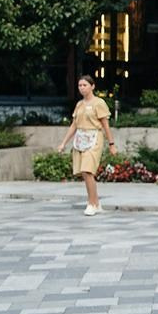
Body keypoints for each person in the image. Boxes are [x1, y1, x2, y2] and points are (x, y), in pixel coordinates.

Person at [56, 75, 114, 216]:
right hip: (81, 138)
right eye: (80, 85)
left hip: (94, 137)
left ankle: (92, 203)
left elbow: (105, 125)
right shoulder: (79, 105)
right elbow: (74, 125)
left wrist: (111, 143)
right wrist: (63, 142)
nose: (82, 88)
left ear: (92, 86)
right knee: (84, 173)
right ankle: (95, 202)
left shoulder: (99, 103)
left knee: (88, 170)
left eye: (85, 85)